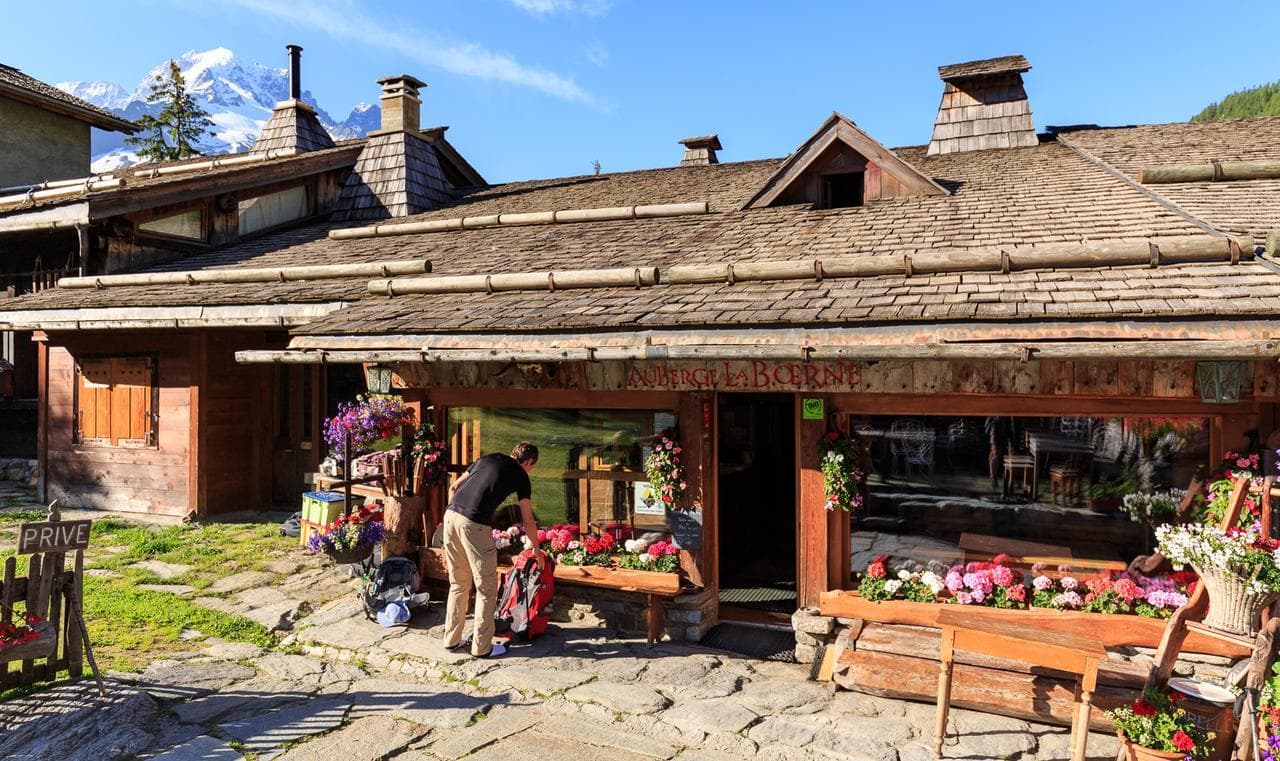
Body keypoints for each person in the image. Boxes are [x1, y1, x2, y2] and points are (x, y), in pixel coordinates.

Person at [443, 441, 546, 658]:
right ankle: (482, 648)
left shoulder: (488, 458)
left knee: (459, 583)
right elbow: (527, 519)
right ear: (528, 462)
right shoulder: (521, 475)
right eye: (532, 466)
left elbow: (454, 487)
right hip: (475, 523)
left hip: (450, 516)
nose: (530, 470)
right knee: (486, 588)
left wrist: (456, 516)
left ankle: (451, 640)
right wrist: (536, 550)